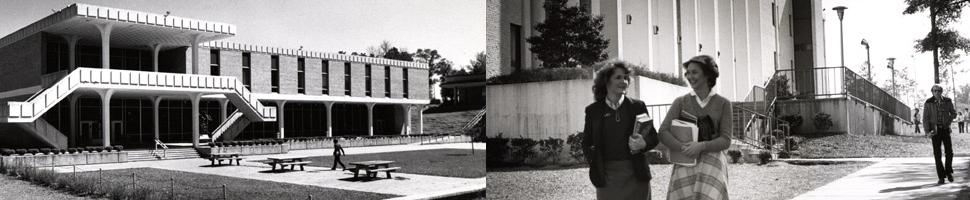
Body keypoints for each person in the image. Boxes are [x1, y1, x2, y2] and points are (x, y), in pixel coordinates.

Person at [582, 60, 660, 199]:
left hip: (636, 173)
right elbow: (587, 143)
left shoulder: (638, 106)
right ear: (606, 81)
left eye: (626, 77)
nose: (623, 81)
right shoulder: (593, 111)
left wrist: (644, 143)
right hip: (607, 177)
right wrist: (597, 164)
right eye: (618, 77)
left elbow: (653, 137)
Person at [659, 55, 732, 200]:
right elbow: (663, 132)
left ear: (707, 75)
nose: (689, 76)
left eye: (694, 72)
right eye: (688, 73)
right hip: (685, 160)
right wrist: (683, 148)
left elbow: (726, 140)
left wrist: (701, 146)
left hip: (713, 164)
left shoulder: (723, 103)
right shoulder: (680, 102)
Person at [923, 85, 957, 184]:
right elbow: (925, 118)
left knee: (949, 152)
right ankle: (941, 177)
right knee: (937, 154)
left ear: (941, 91)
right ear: (932, 92)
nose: (937, 92)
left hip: (945, 129)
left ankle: (948, 172)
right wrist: (927, 131)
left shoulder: (947, 101)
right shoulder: (928, 102)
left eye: (938, 90)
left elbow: (953, 113)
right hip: (935, 131)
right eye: (935, 91)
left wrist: (949, 121)